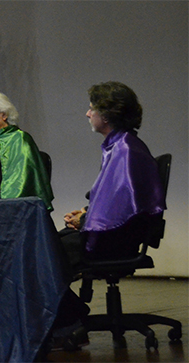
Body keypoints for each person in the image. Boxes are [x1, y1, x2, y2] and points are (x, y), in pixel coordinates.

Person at [51, 82, 165, 349]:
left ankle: (69, 322)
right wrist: (86, 213)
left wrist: (85, 221)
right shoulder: (120, 145)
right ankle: (72, 316)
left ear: (107, 114)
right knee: (47, 245)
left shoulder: (125, 150)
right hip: (116, 235)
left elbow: (121, 211)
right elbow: (115, 201)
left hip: (115, 241)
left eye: (92, 108)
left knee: (42, 256)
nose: (87, 113)